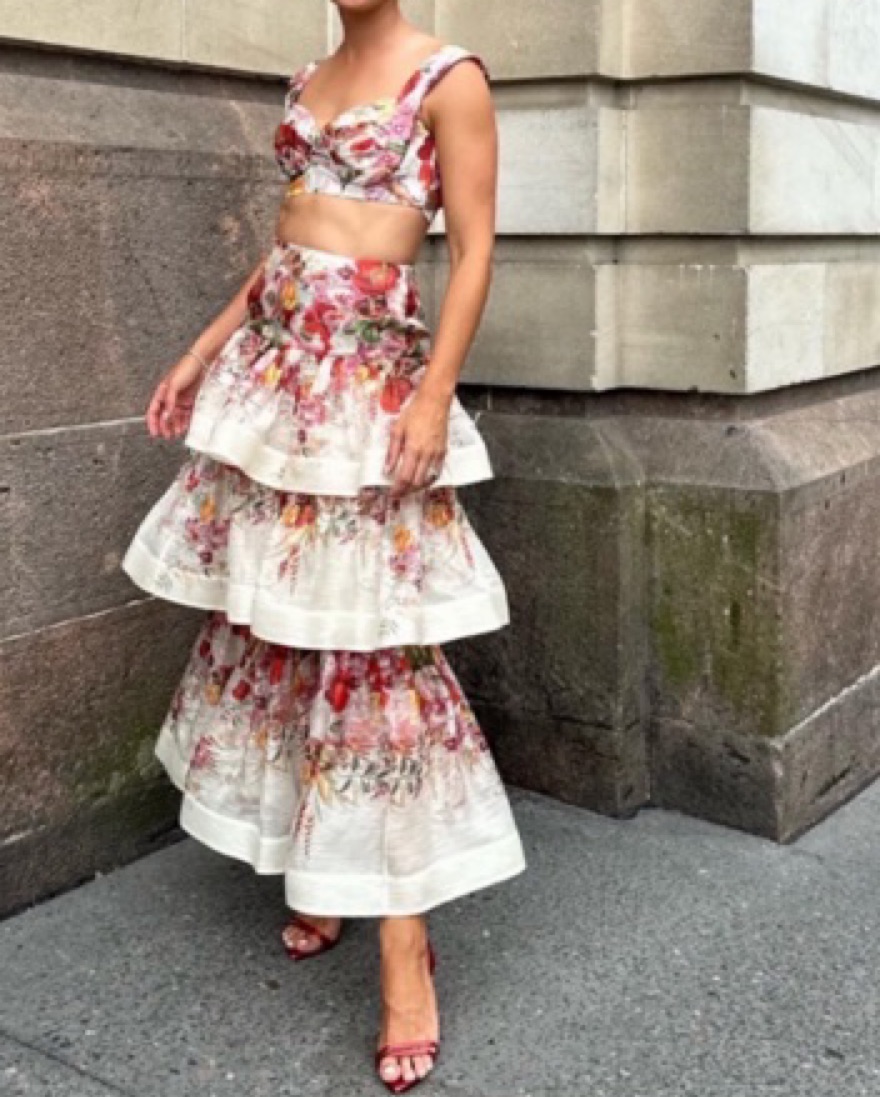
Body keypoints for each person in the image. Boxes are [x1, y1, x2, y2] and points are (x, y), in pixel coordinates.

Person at [120, 0, 526, 1091]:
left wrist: (433, 395)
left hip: (369, 392)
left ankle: (405, 947)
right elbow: (287, 245)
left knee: (374, 655)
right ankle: (328, 862)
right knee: (285, 632)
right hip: (277, 386)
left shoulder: (449, 77)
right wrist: (202, 351)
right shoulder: (307, 79)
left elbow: (475, 247)